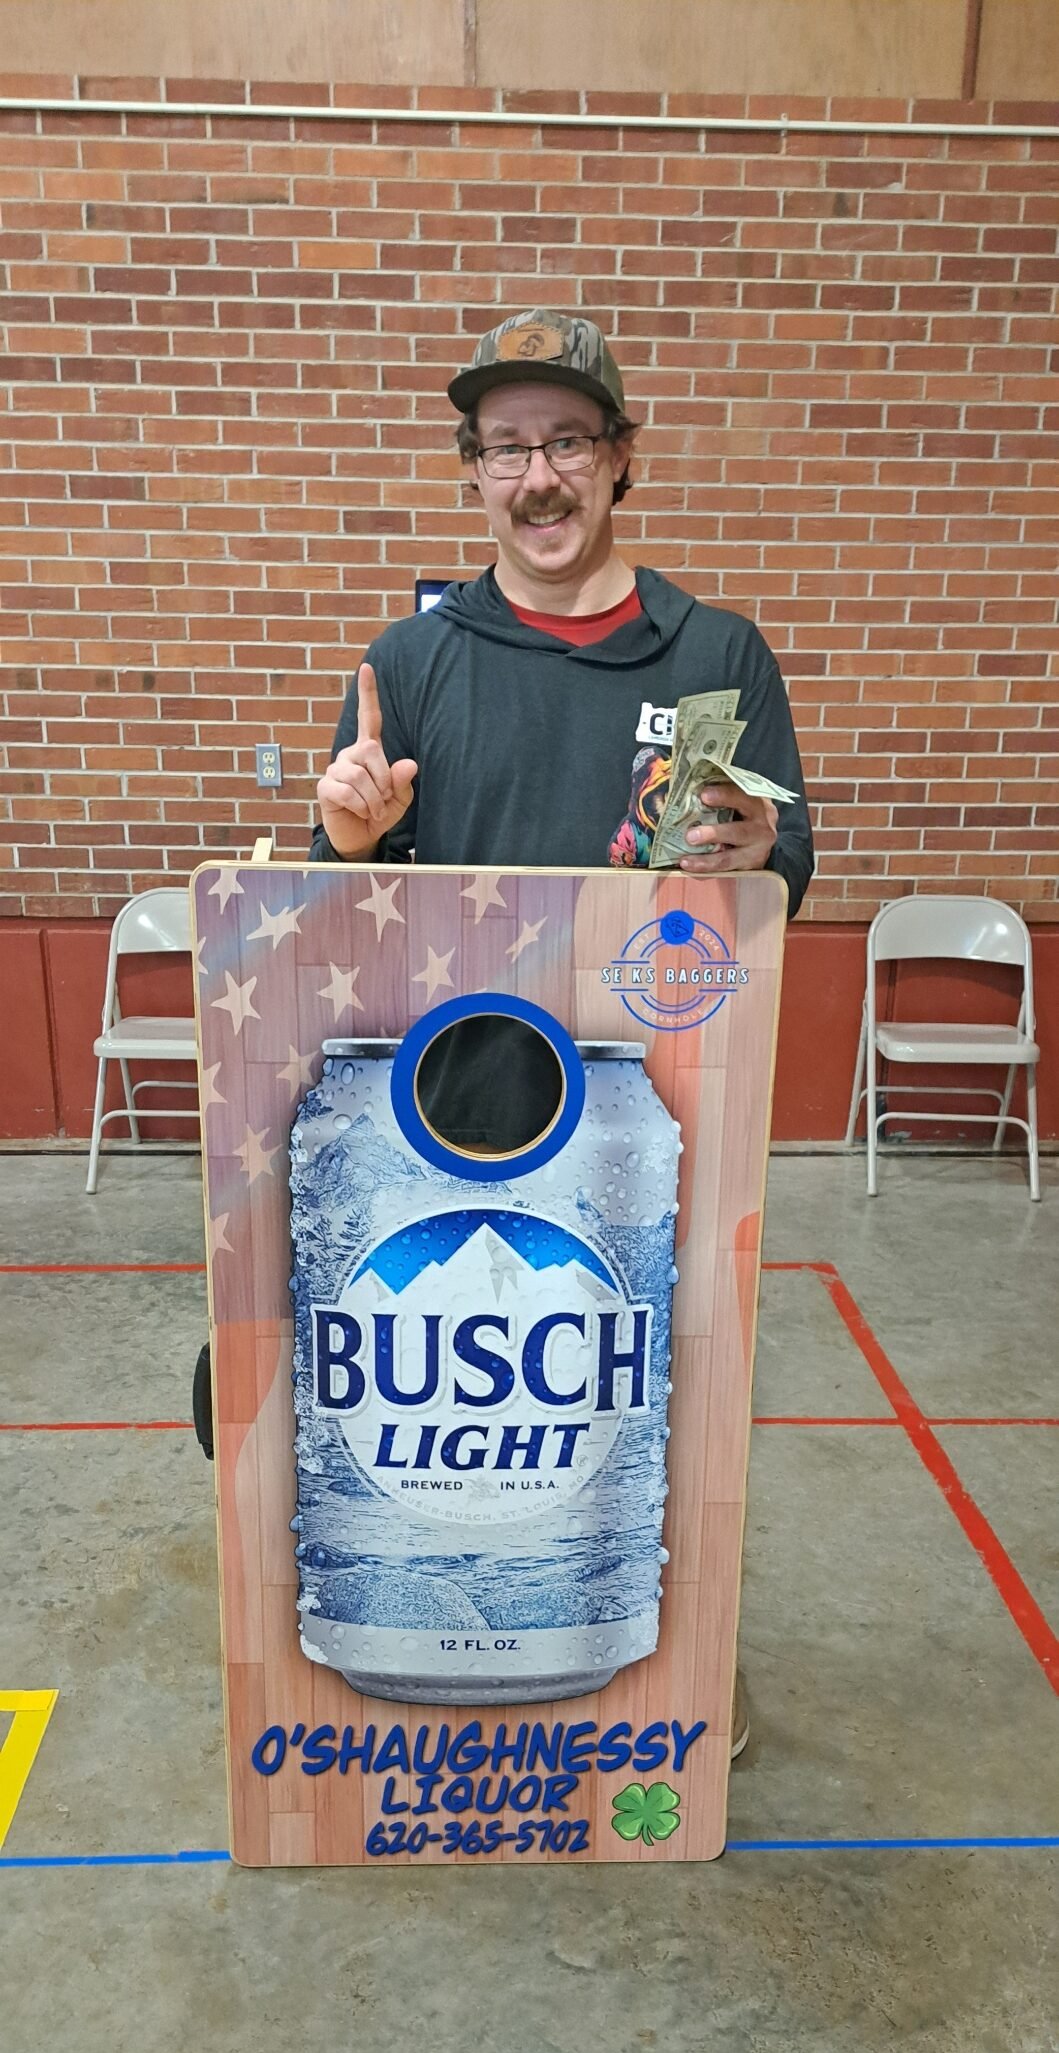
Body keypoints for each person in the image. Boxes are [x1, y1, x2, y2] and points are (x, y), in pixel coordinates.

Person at [308, 309, 817, 1757]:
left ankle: (658, 1671)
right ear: (474, 470)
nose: (538, 477)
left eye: (568, 442)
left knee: (635, 1420)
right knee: (455, 1425)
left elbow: (782, 866)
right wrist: (350, 837)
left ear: (620, 458)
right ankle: (455, 1665)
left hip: (638, 1127)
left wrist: (762, 847)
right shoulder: (413, 659)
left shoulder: (714, 654)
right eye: (506, 447)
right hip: (440, 1122)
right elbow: (336, 904)